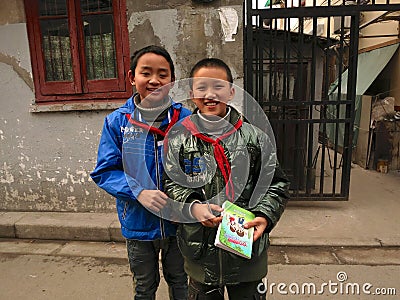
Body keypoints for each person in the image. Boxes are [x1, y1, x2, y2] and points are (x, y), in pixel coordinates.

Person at [163, 58, 290, 300]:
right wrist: (193, 207)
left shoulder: (255, 138)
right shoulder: (179, 139)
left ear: (231, 92)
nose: (210, 94)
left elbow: (276, 183)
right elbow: (173, 182)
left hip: (246, 250)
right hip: (199, 249)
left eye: (218, 86)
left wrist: (264, 215)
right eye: (201, 87)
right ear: (191, 93)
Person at [90, 45, 190, 300]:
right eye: (146, 73)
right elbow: (105, 171)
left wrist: (189, 203)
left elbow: (198, 167)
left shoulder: (186, 120)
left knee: (181, 281)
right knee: (144, 285)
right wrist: (139, 191)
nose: (155, 80)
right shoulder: (118, 122)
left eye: (163, 74)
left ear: (172, 81)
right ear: (132, 77)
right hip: (137, 222)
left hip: (178, 224)